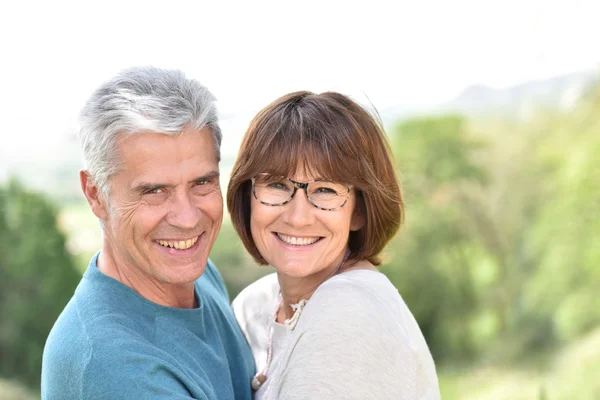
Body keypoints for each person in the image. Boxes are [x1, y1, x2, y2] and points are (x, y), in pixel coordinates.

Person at [41, 66, 255, 399]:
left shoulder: (197, 275)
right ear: (95, 194)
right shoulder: (113, 368)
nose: (187, 219)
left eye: (202, 183)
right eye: (154, 191)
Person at [228, 91, 441, 399]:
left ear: (359, 211)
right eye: (277, 184)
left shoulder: (350, 311)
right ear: (247, 196)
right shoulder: (255, 305)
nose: (298, 217)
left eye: (325, 190)